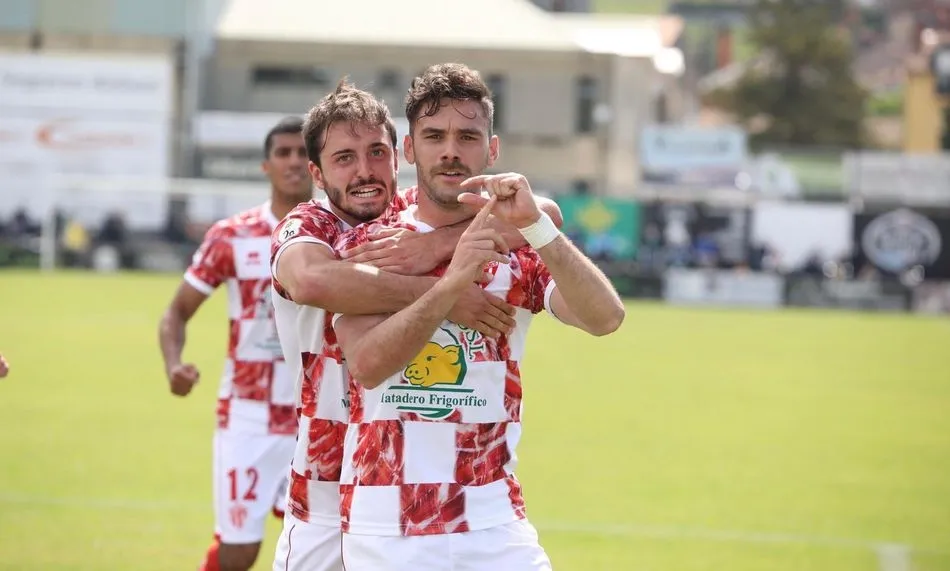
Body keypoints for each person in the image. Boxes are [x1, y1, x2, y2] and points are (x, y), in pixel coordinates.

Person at [330, 62, 626, 570]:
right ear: (407, 149)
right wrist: (450, 283)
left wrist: (537, 225)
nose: (450, 150)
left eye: (467, 136)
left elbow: (605, 317)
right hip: (387, 522)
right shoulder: (371, 240)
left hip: (492, 519)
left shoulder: (522, 244)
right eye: (434, 136)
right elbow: (368, 364)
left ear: (492, 150)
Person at [268, 80, 564, 571]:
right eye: (344, 158)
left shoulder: (413, 221)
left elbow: (544, 213)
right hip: (324, 484)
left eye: (376, 152)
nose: (364, 171)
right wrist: (446, 298)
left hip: (408, 491)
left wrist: (436, 247)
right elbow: (310, 281)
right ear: (317, 174)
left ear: (398, 155)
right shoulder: (311, 226)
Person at [158, 116, 313, 571]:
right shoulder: (233, 235)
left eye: (304, 152)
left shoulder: (339, 233)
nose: (294, 161)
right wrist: (174, 365)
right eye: (283, 153)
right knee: (239, 551)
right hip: (248, 418)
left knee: (317, 550)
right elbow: (175, 313)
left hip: (317, 415)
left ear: (319, 164)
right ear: (266, 165)